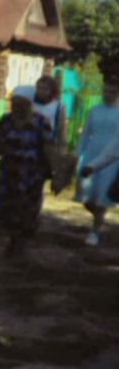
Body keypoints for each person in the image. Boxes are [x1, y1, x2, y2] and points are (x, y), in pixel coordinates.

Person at [0, 86, 53, 257]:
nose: (15, 106)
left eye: (19, 103)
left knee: (26, 212)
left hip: (31, 177)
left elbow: (48, 150)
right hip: (8, 175)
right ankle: (12, 243)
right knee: (6, 211)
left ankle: (19, 245)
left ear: (29, 103)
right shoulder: (6, 121)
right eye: (13, 102)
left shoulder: (41, 123)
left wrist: (52, 173)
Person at [77, 80, 119, 245]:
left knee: (102, 194)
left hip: (112, 158)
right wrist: (79, 153)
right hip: (92, 153)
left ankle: (95, 231)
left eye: (112, 92)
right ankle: (98, 215)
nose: (108, 94)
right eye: (106, 91)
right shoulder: (95, 110)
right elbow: (86, 133)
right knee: (87, 195)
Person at [32, 74, 69, 151]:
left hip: (48, 145)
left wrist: (61, 150)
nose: (41, 91)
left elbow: (62, 130)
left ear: (52, 90)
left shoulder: (59, 107)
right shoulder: (31, 104)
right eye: (39, 88)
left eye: (45, 89)